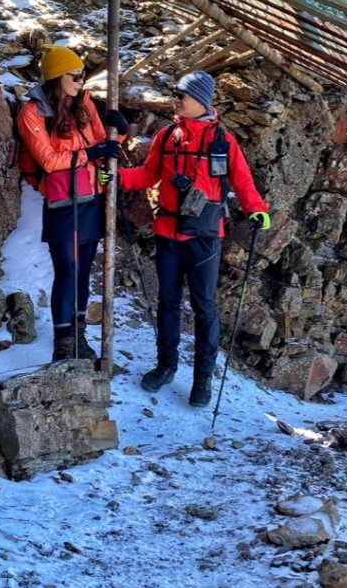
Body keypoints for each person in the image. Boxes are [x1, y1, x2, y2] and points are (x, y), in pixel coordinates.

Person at [119, 70, 271, 407]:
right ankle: (166, 366)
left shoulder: (222, 141)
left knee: (205, 307)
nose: (175, 99)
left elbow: (243, 182)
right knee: (168, 302)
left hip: (204, 236)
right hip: (168, 233)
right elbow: (148, 174)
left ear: (200, 100)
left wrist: (257, 209)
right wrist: (118, 177)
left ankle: (202, 379)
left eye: (181, 95)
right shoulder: (166, 136)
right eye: (175, 94)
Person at [17, 45, 128, 362]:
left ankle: (79, 337)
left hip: (91, 196)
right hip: (61, 202)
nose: (81, 81)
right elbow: (49, 161)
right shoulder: (32, 114)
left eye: (82, 76)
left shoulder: (84, 104)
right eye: (75, 76)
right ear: (56, 77)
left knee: (83, 272)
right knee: (68, 270)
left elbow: (102, 145)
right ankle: (64, 342)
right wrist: (90, 154)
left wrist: (119, 134)